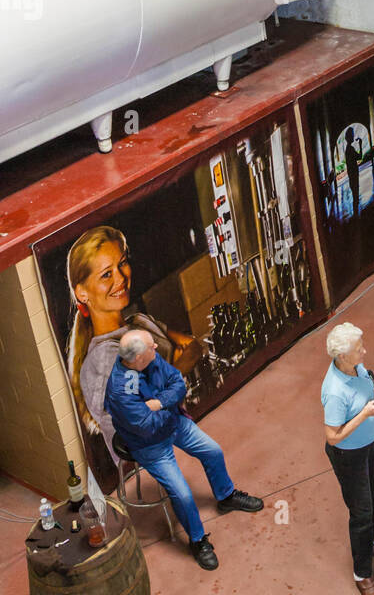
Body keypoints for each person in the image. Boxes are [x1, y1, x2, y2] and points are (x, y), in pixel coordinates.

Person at [104, 329, 263, 570]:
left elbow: (178, 382)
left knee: (213, 451)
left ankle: (226, 496)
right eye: (151, 347)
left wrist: (159, 403)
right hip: (150, 445)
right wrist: (169, 404)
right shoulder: (121, 390)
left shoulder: (150, 359)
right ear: (136, 358)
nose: (156, 347)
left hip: (174, 423)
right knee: (183, 494)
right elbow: (147, 427)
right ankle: (198, 541)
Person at [66, 225, 201, 491]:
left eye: (123, 263)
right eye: (106, 274)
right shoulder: (102, 359)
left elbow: (193, 345)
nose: (121, 278)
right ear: (82, 293)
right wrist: (175, 371)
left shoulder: (140, 321)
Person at [321, 322, 374, 595]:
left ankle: (368, 542)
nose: (365, 351)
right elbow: (333, 436)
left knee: (373, 497)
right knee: (361, 511)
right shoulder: (335, 391)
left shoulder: (356, 369)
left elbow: (366, 391)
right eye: (358, 349)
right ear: (341, 356)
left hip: (366, 446)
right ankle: (362, 573)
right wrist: (365, 413)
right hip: (347, 454)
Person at [343, 134, 361, 217]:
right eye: (352, 135)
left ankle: (356, 215)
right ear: (349, 138)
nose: (353, 136)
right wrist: (360, 144)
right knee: (355, 196)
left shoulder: (347, 149)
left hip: (352, 175)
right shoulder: (350, 149)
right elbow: (359, 157)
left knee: (355, 195)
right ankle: (357, 216)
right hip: (354, 174)